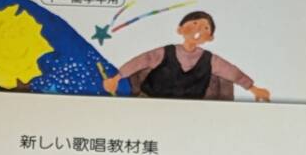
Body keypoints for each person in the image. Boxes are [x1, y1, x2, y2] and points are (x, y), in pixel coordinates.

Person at [101, 11, 270, 101]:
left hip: (189, 110)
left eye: (205, 28)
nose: (198, 29)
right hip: (150, 102)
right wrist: (116, 78)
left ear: (210, 38)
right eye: (195, 23)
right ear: (180, 29)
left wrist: (253, 89)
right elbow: (140, 61)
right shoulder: (164, 52)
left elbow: (232, 72)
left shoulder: (210, 59)